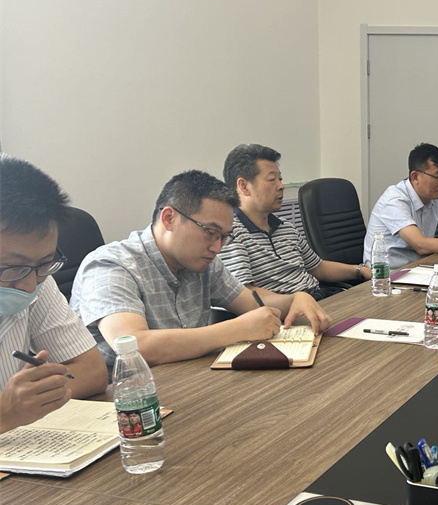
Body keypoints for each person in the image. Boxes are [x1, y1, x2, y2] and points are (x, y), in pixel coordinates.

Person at [71, 170, 332, 370]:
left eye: (224, 237)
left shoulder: (203, 262)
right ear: (169, 218)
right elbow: (134, 346)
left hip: (190, 380)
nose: (217, 247)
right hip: (128, 404)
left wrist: (295, 299)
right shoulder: (110, 265)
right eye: (210, 232)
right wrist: (237, 329)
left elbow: (253, 305)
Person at [0, 155, 107, 433]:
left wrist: (31, 398)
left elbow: (92, 371)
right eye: (13, 268)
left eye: (44, 263)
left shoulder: (36, 276)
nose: (29, 286)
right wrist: (5, 413)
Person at [219, 143, 370, 300]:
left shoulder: (285, 227)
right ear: (243, 186)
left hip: (318, 297)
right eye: (272, 180)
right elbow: (244, 292)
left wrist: (360, 270)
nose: (281, 186)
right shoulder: (230, 233)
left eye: (280, 179)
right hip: (288, 310)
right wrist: (296, 302)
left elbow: (318, 267)